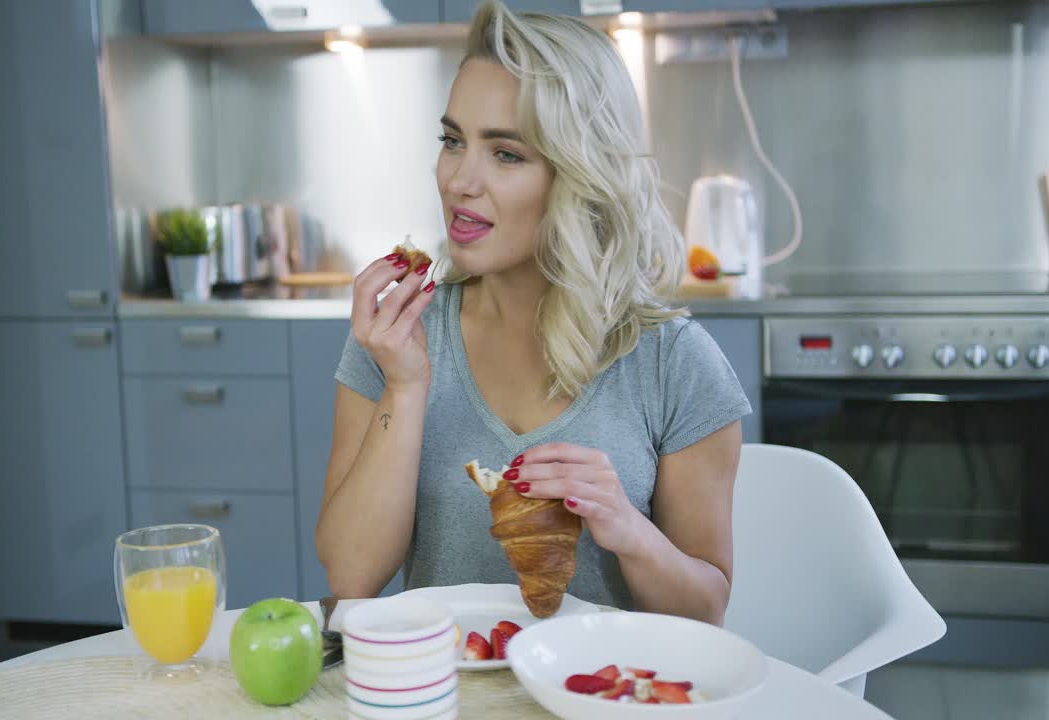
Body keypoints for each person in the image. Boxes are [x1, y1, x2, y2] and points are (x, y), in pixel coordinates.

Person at [315, 0, 750, 625]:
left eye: (506, 154)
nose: (459, 180)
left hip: (602, 696)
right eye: (452, 141)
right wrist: (406, 387)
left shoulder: (673, 362)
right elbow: (351, 576)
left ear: (579, 176)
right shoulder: (396, 338)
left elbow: (705, 611)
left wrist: (627, 527)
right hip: (445, 695)